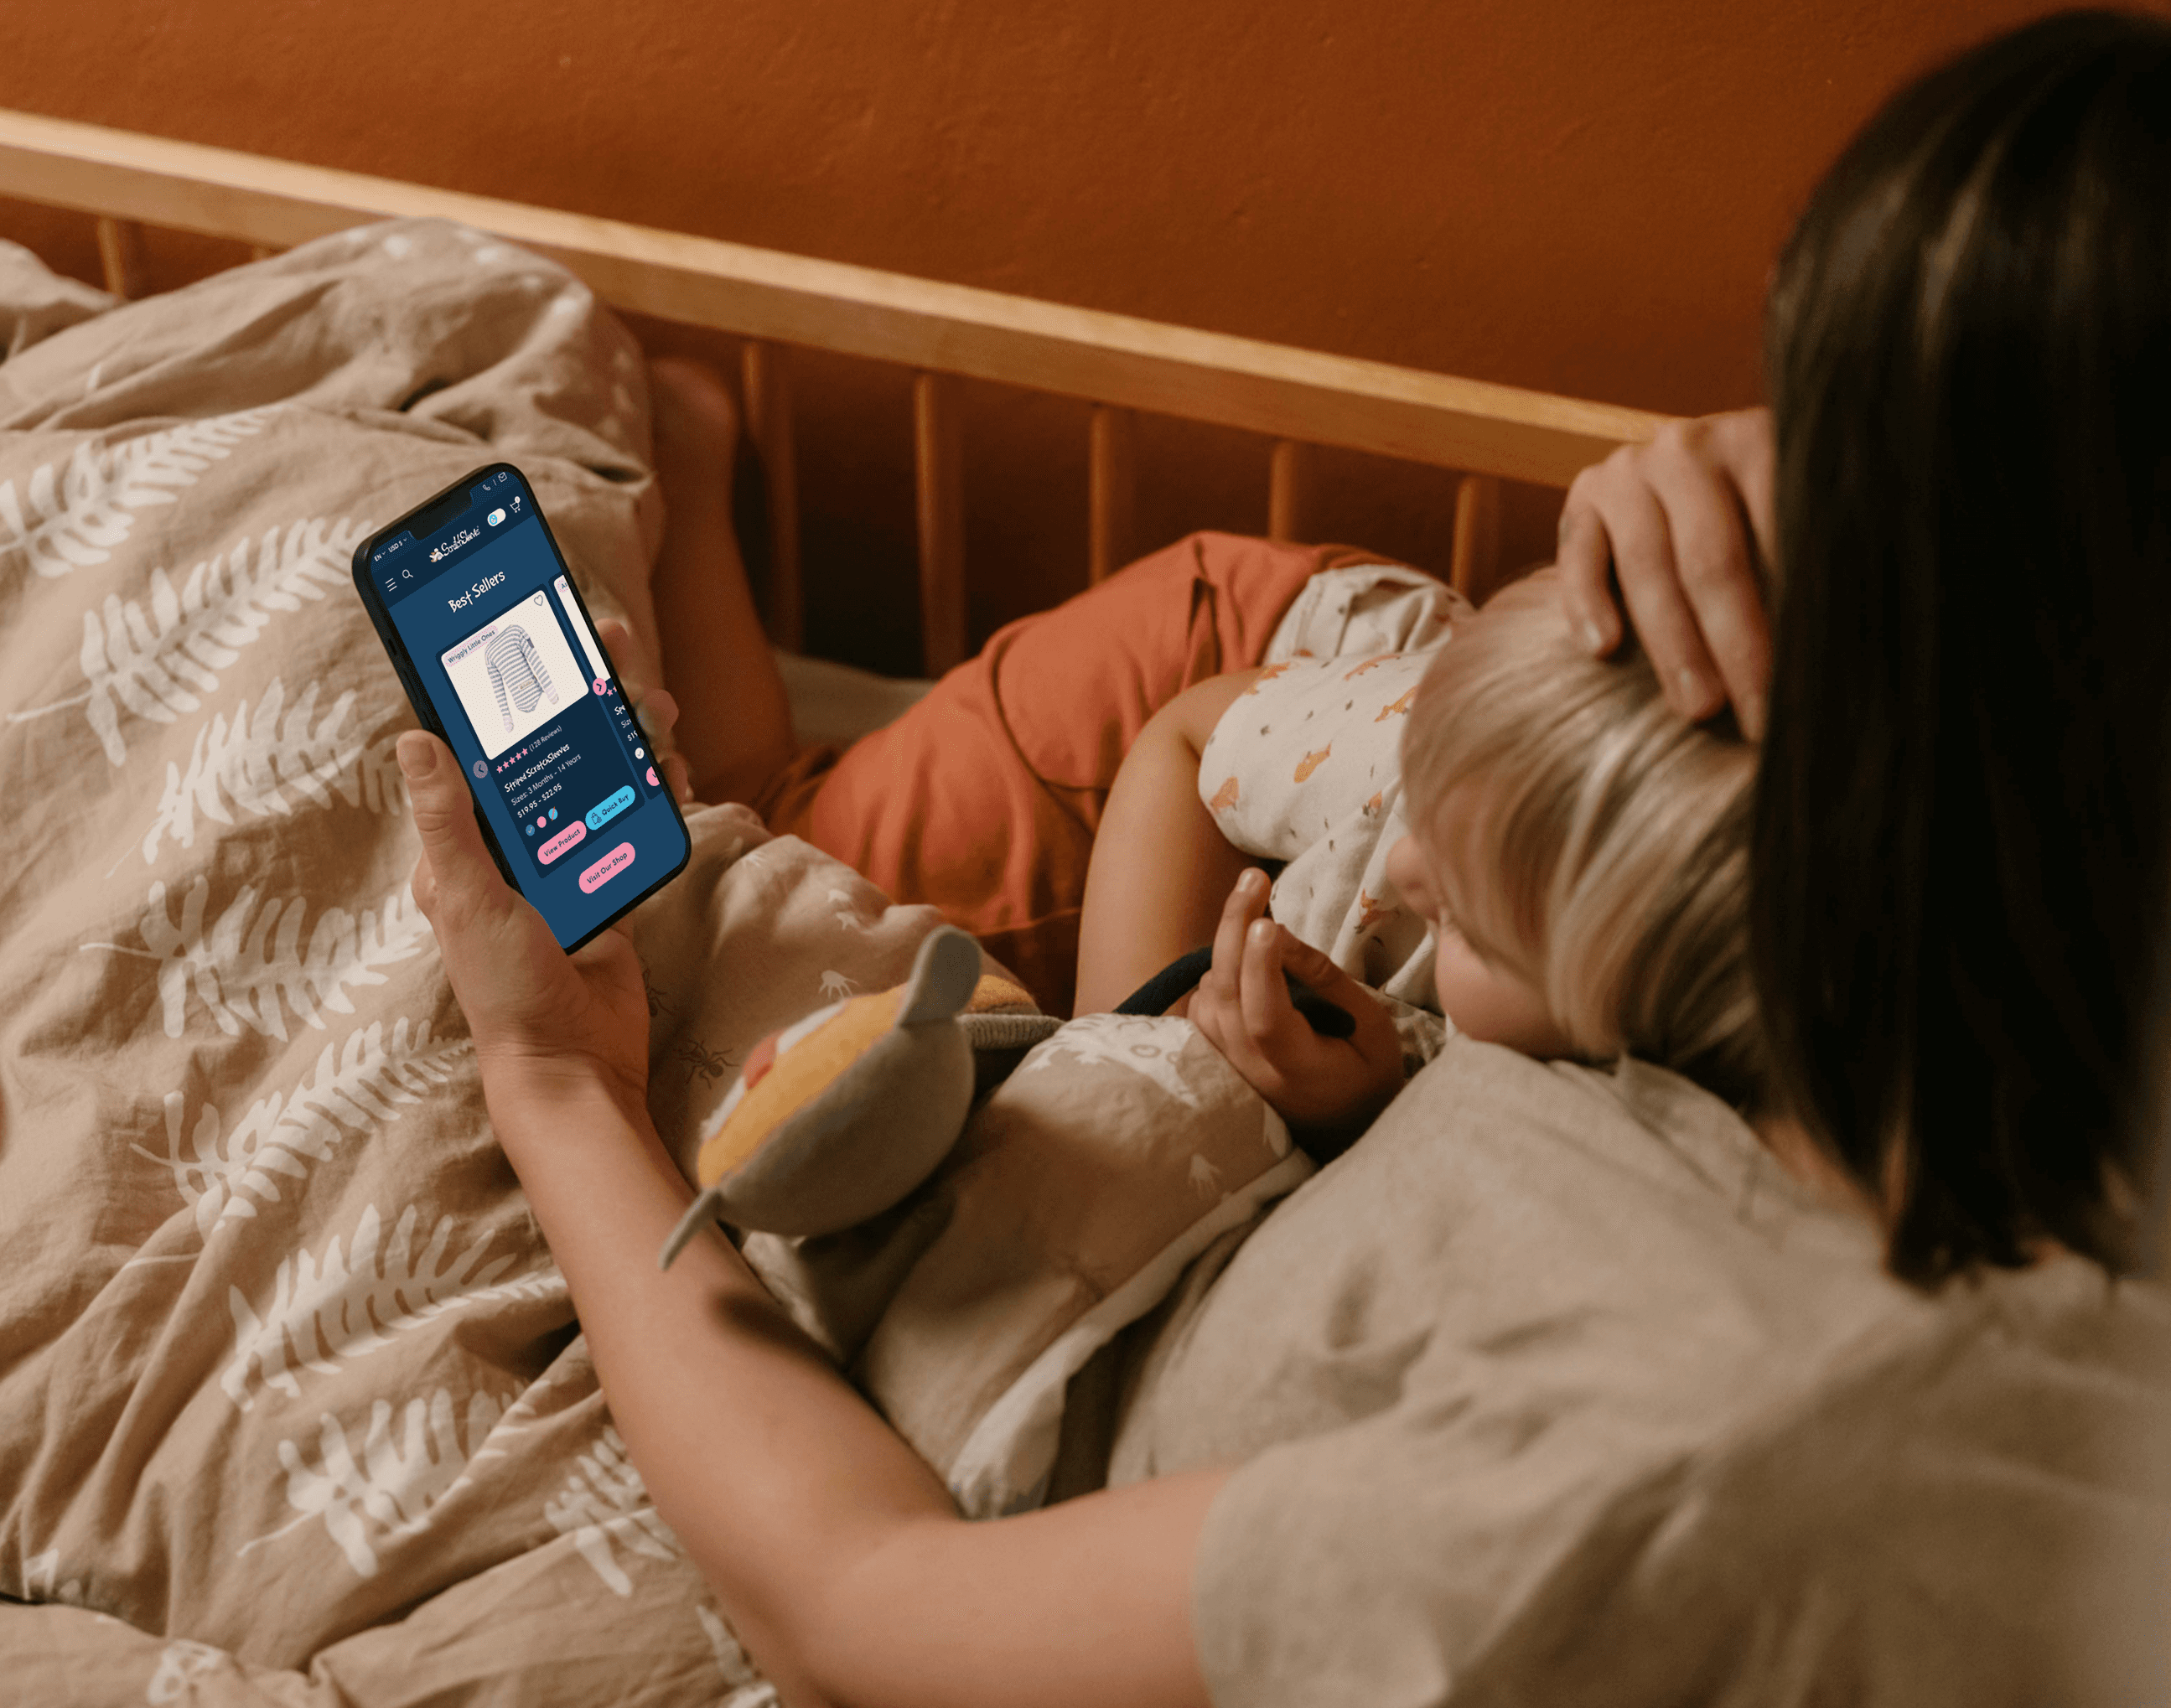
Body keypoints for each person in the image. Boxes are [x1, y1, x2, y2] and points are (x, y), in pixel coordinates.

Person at [398, 13, 2171, 1703]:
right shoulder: (1880, 997)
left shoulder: (1725, 1466)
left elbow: (861, 1623)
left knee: (751, 828)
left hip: (1144, 902)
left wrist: (549, 1069)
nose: (1717, 504)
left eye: (1851, 488)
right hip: (1214, 770)